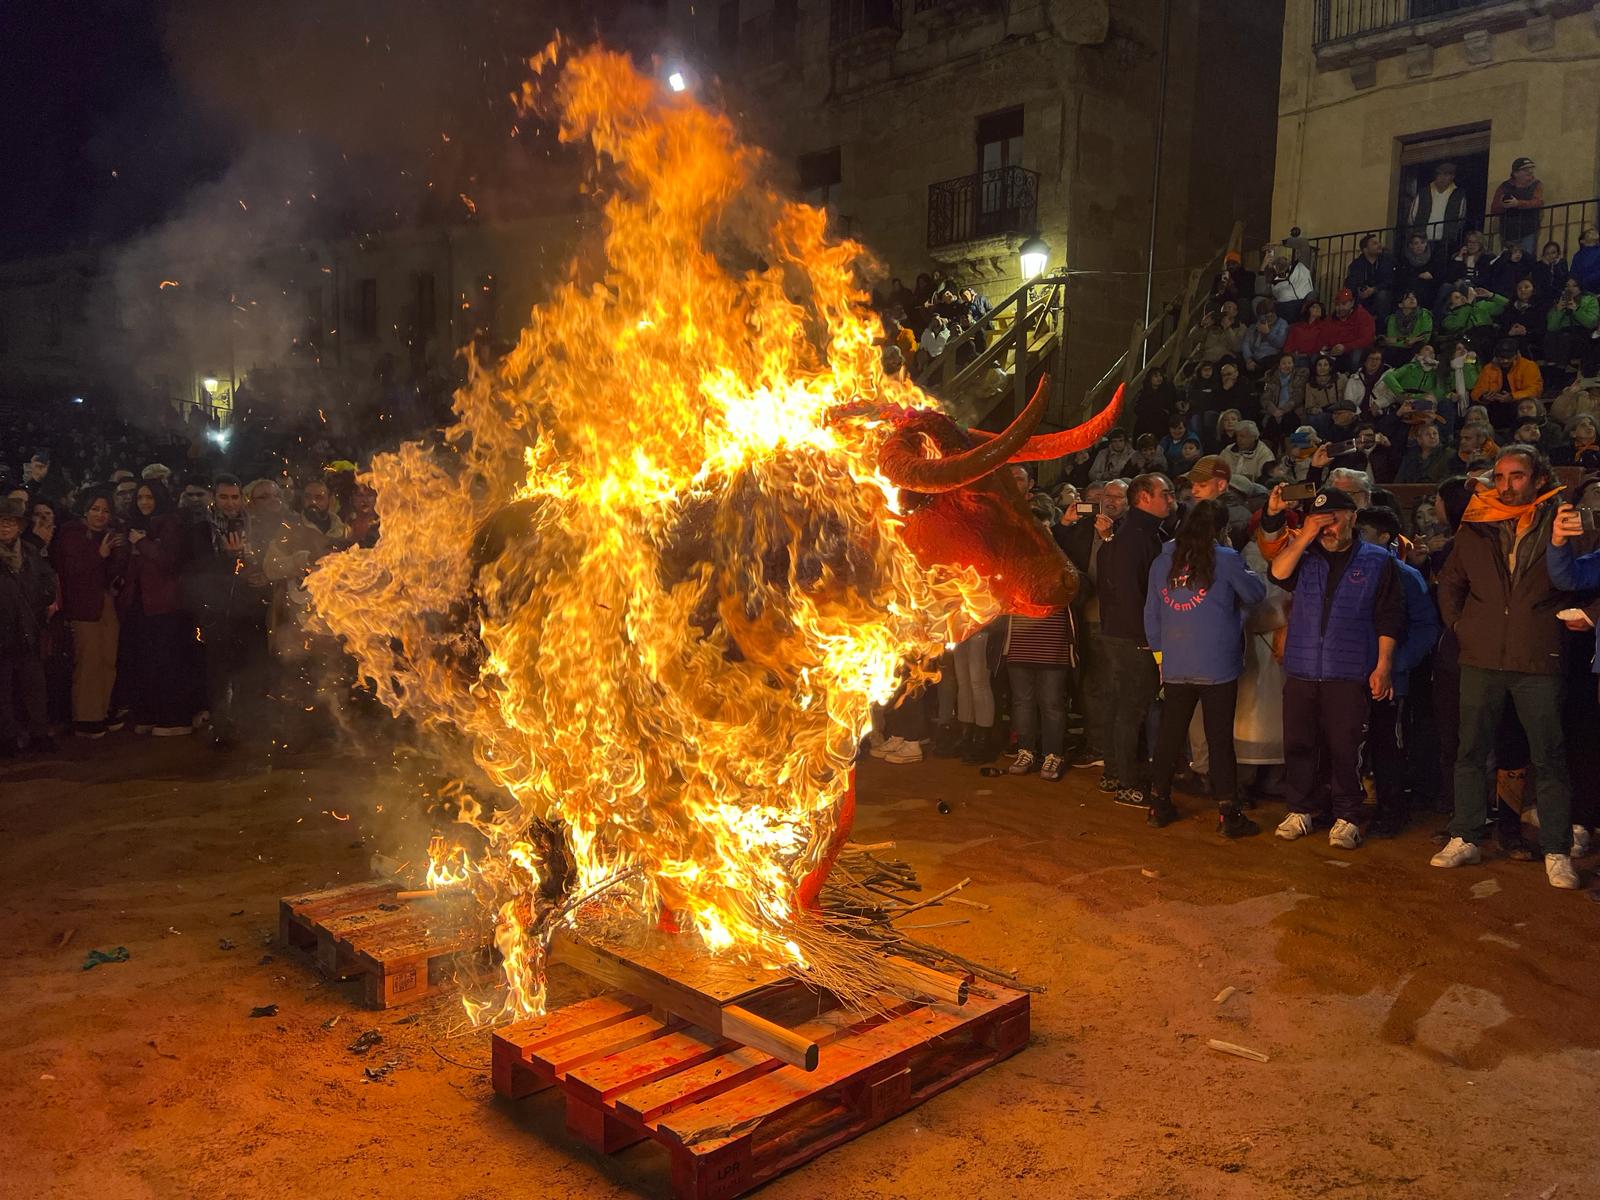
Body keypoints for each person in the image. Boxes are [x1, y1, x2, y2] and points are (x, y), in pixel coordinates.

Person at [1433, 446, 1581, 888]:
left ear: (1538, 479)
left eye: (1517, 476)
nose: (1506, 485)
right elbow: (1451, 582)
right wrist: (1461, 626)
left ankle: (1556, 848)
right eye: (1499, 477)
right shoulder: (1476, 525)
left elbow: (1584, 575)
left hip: (1537, 657)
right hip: (1480, 657)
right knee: (1471, 751)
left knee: (1549, 756)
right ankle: (1465, 835)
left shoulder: (1563, 520)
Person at [1265, 487, 1405, 849]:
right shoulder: (1305, 554)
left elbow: (1389, 617)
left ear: (1353, 517)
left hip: (1349, 670)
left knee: (1347, 747)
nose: (1329, 526)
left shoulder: (1377, 560)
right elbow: (1277, 573)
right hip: (1302, 668)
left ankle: (1347, 816)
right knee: (1298, 743)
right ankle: (1300, 808)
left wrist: (1383, 665)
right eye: (1321, 519)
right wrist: (1306, 535)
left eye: (1336, 518)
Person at [1141, 499, 1266, 836]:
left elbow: (1151, 615)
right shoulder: (1224, 559)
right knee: (1219, 738)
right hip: (1217, 662)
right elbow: (1255, 593)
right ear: (1221, 529)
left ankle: (1158, 803)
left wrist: (1161, 659)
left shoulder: (1162, 560)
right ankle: (1228, 813)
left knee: (1170, 735)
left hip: (1176, 660)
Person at [1354, 506, 1442, 836]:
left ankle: (1391, 810)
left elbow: (1425, 626)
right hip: (1351, 674)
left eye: (1363, 532)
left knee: (1387, 745)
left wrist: (1397, 665)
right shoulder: (1350, 570)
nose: (1355, 537)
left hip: (1392, 680)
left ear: (1385, 537)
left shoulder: (1406, 575)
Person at [1095, 472, 1176, 805]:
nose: (1171, 500)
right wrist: (1147, 639)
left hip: (1120, 633)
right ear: (1144, 497)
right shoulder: (1136, 536)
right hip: (1133, 637)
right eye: (1165, 494)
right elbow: (1133, 593)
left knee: (1121, 707)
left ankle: (1116, 773)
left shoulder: (1129, 533)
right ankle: (1126, 781)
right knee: (1132, 709)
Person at [182, 475, 272, 749]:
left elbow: (269, 561)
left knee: (252, 669)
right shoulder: (201, 530)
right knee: (220, 673)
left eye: (234, 497)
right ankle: (222, 729)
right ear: (214, 498)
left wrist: (263, 576)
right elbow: (199, 569)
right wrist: (229, 559)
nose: (230, 503)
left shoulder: (256, 525)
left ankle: (250, 727)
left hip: (251, 611)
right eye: (224, 497)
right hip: (218, 611)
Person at [117, 481, 195, 736]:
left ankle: (174, 716)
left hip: (165, 604)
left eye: (149, 497)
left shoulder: (170, 524)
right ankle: (152, 713)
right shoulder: (135, 526)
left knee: (168, 661)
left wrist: (142, 544)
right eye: (140, 498)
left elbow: (169, 561)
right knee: (147, 662)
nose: (144, 502)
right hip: (141, 604)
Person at [52, 488, 128, 737]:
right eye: (95, 509)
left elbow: (110, 574)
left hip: (105, 602)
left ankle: (102, 711)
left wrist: (116, 553)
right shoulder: (72, 533)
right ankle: (85, 717)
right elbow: (73, 570)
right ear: (85, 510)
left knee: (107, 658)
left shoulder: (106, 535)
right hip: (83, 606)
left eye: (105, 510)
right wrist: (100, 554)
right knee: (88, 661)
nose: (100, 515)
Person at [0, 497, 57, 754]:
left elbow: (46, 580)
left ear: (19, 525)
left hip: (26, 629)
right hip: (3, 630)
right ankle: (7, 738)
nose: (5, 527)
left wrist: (44, 598)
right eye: (1, 522)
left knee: (35, 685)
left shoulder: (30, 553)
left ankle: (39, 734)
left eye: (10, 521)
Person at [1004, 596, 1075, 781]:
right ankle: (1026, 751)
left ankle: (1053, 755)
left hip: (1052, 645)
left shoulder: (1063, 567)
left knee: (1051, 704)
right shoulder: (1015, 568)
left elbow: (1078, 590)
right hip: (1019, 644)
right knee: (1022, 703)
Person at [1471, 337, 1544, 431]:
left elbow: (1535, 390)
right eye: (1502, 357)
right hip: (1494, 406)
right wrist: (1483, 397)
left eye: (1508, 357)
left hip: (1518, 403)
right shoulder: (1489, 368)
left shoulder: (1528, 366)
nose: (1505, 361)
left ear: (1516, 355)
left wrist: (1512, 397)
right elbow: (1476, 392)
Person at [1489, 156, 1544, 255]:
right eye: (1525, 169)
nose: (1529, 172)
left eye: (1531, 169)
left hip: (1528, 231)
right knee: (1508, 260)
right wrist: (1503, 205)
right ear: (1515, 173)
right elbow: (1494, 208)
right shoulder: (1504, 186)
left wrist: (1517, 203)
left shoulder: (1536, 184)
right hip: (1508, 233)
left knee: (1526, 258)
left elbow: (1538, 202)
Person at [1407, 161, 1468, 247]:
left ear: (1452, 177)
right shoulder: (1423, 192)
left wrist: (1452, 231)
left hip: (1446, 241)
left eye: (1446, 175)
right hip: (1422, 240)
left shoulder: (1458, 194)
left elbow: (1461, 218)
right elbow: (1412, 216)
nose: (1442, 178)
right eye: (1440, 174)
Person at [1544, 276, 1599, 370]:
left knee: (1565, 338)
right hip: (1561, 335)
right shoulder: (1559, 301)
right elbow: (1551, 327)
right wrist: (1559, 310)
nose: (1570, 289)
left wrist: (1576, 309)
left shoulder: (1590, 300)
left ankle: (1561, 369)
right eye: (1567, 286)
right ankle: (1553, 370)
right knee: (1551, 336)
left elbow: (1591, 323)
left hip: (1582, 333)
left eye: (1574, 286)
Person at [1344, 235, 1397, 326]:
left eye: (1379, 242)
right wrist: (1359, 290)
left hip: (1381, 293)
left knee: (1382, 296)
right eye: (1375, 243)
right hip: (1363, 296)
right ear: (1365, 249)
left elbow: (1390, 280)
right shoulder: (1356, 265)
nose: (1379, 245)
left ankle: (1381, 328)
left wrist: (1374, 289)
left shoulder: (1387, 262)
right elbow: (1351, 282)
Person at [1322, 288, 1377, 371]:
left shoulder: (1363, 316)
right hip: (1337, 352)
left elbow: (1367, 339)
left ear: (1352, 303)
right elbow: (1326, 337)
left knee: (1356, 355)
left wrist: (1345, 347)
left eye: (1344, 304)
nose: (1340, 308)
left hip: (1356, 351)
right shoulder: (1331, 319)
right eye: (1337, 304)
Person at [1378, 289, 1433, 366]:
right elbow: (1390, 339)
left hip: (1415, 348)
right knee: (1389, 352)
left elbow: (1424, 337)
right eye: (1407, 298)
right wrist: (1407, 341)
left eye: (1414, 297)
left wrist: (1401, 340)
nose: (1412, 299)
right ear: (1400, 304)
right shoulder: (1393, 318)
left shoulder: (1424, 315)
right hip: (1398, 349)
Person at [1498, 277, 1548, 360]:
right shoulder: (1509, 308)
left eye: (1526, 287)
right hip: (1509, 340)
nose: (1523, 290)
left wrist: (1526, 332)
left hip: (1531, 341)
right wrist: (1509, 332)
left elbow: (1542, 329)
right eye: (1519, 288)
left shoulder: (1540, 308)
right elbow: (1502, 327)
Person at [1394, 420, 1453, 484]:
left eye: (1435, 433)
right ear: (1419, 439)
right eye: (1427, 434)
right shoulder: (1410, 456)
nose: (1432, 437)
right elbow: (1399, 481)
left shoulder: (1448, 454)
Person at [1397, 233, 1445, 309]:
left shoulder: (1433, 259)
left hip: (1430, 289)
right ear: (1410, 245)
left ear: (1426, 244)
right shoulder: (1405, 260)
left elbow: (1439, 276)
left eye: (1422, 243)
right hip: (1411, 289)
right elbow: (1402, 277)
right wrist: (1418, 276)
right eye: (1416, 243)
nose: (1420, 246)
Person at [1132, 369, 1180, 441]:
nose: (1159, 378)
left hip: (1162, 419)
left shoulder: (1167, 391)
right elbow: (1138, 408)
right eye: (1156, 376)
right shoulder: (1144, 393)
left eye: (1160, 376)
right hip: (1147, 418)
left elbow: (1171, 406)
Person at [1239, 308, 1288, 378]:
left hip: (1272, 355)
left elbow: (1280, 344)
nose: (1269, 319)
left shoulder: (1281, 323)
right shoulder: (1253, 327)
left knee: (1273, 363)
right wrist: (1249, 360)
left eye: (1270, 316)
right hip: (1256, 357)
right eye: (1265, 317)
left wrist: (1268, 333)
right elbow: (1245, 344)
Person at [1571, 227, 1600, 293]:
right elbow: (1574, 274)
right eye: (1589, 233)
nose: (1594, 233)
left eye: (1595, 231)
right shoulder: (1578, 256)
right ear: (1582, 241)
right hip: (1583, 293)